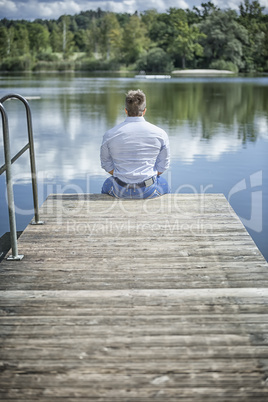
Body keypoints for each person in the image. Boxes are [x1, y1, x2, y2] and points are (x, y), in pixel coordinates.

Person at [100, 89, 170, 199]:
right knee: (164, 183)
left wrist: (123, 175)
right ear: (145, 111)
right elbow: (163, 166)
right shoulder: (160, 134)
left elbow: (106, 164)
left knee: (107, 183)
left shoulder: (110, 134)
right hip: (148, 189)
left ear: (126, 111)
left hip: (120, 188)